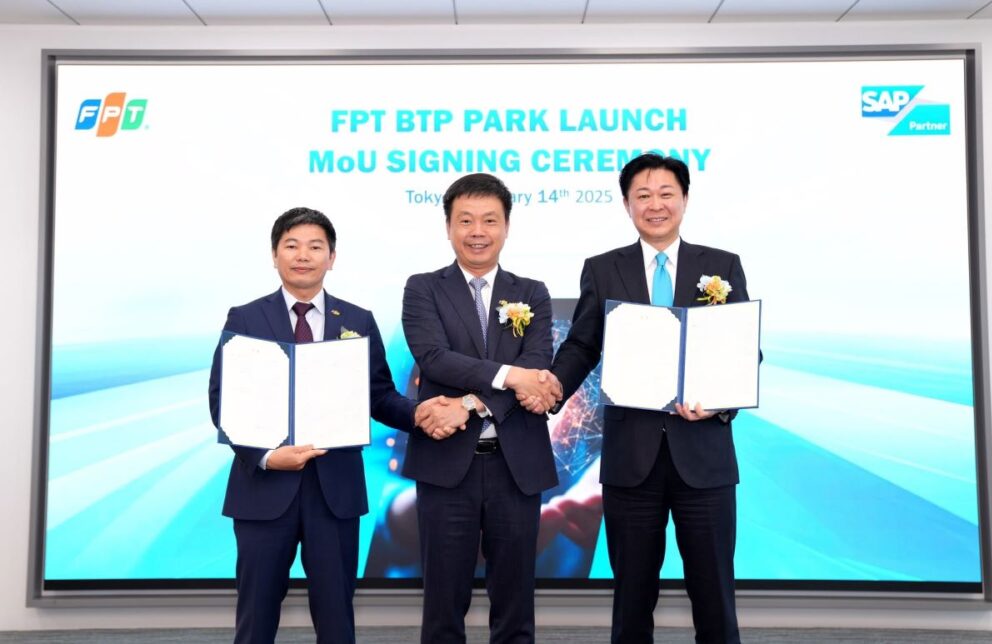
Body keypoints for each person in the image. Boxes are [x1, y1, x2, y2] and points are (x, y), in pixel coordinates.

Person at [208, 207, 459, 644]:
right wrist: (266, 457)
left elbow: (379, 395)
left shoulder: (357, 320)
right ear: (274, 255)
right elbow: (224, 400)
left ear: (332, 257)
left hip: (334, 491)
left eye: (315, 246)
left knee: (336, 616)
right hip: (264, 491)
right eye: (291, 245)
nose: (303, 255)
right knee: (255, 617)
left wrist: (419, 413)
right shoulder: (245, 318)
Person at [542, 154, 749, 644]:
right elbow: (582, 345)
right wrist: (551, 389)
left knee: (715, 597)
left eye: (666, 193)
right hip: (631, 461)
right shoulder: (602, 269)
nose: (655, 205)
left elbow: (742, 347)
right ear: (627, 204)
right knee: (632, 600)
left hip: (704, 458)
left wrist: (720, 401)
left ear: (685, 199)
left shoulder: (721, 266)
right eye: (643, 195)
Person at [401, 173, 562, 644]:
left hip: (516, 467)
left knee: (515, 605)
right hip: (447, 465)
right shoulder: (423, 288)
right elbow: (435, 358)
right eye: (466, 220)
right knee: (443, 605)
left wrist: (471, 403)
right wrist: (511, 376)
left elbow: (537, 365)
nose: (477, 231)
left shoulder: (532, 292)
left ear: (506, 226)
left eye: (489, 220)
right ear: (448, 227)